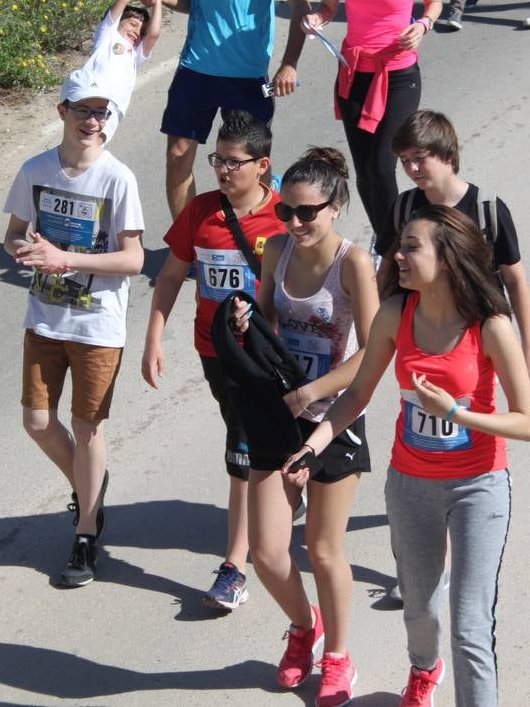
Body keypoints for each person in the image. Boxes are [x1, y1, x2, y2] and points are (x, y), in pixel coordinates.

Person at [282, 205, 530, 707]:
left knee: (469, 626)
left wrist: (457, 415)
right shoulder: (397, 314)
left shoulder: (489, 326)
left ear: (447, 257)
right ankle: (425, 669)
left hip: (478, 486)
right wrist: (311, 447)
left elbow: (526, 422)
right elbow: (357, 394)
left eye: (411, 247)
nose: (397, 255)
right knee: (418, 609)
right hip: (411, 485)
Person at [226, 148, 380, 706]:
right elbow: (267, 317)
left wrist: (314, 391)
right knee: (266, 553)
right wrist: (248, 320)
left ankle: (338, 657)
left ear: (336, 206)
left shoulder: (354, 264)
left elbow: (372, 353)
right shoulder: (276, 251)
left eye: (307, 212)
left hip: (335, 417)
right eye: (286, 211)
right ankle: (303, 626)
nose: (294, 223)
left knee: (322, 551)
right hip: (279, 413)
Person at [2, 66, 146, 587]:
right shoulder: (35, 170)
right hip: (44, 316)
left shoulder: (118, 178)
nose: (92, 121)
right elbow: (13, 235)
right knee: (37, 421)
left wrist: (66, 257)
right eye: (83, 110)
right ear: (62, 112)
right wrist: (26, 252)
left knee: (88, 429)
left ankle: (86, 534)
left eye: (101, 112)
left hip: (97, 326)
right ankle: (92, 488)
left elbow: (133, 259)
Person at [141, 110, 286, 610]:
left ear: (262, 165)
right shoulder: (200, 212)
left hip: (269, 357)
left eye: (233, 162)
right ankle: (279, 499)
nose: (222, 171)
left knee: (242, 451)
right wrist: (154, 339)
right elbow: (169, 277)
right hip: (214, 352)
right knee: (254, 445)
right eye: (217, 160)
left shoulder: (288, 216)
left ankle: (234, 568)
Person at [138, 0, 310, 219]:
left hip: (245, 78)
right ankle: (188, 246)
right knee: (177, 154)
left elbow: (300, 3)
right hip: (195, 69)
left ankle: (249, 240)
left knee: (243, 169)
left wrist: (290, 62)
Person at [303, 0, 442, 256]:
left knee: (383, 165)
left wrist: (422, 25)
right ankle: (387, 246)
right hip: (355, 74)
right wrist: (316, 19)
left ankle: (403, 240)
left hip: (398, 75)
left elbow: (435, 2)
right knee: (364, 173)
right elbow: (329, 6)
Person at [377, 110, 530, 382]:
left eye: (419, 159)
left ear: (448, 155)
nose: (412, 169)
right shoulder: (404, 207)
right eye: (405, 161)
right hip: (424, 329)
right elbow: (385, 271)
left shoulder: (487, 209)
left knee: (472, 401)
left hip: (478, 329)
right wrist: (386, 327)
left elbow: (515, 281)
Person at [81, 0, 163, 142]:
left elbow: (153, 33)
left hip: (113, 110)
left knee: (95, 146)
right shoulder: (107, 36)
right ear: (118, 22)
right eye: (133, 24)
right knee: (82, 141)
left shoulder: (135, 54)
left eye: (141, 31)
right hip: (91, 96)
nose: (136, 32)